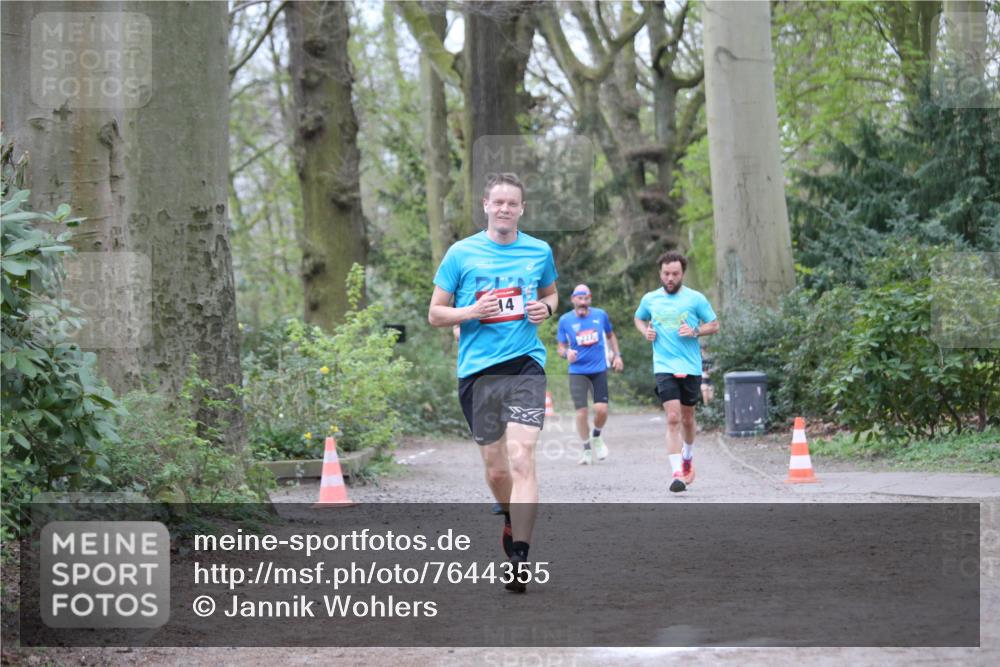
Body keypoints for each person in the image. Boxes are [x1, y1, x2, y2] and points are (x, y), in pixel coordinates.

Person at [428, 173, 558, 593]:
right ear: (485, 205)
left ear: (522, 209)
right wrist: (471, 312)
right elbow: (435, 313)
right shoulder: (460, 254)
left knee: (522, 459)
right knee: (497, 469)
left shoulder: (538, 251)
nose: (505, 209)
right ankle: (508, 514)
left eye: (512, 203)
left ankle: (520, 556)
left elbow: (551, 294)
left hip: (525, 365)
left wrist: (545, 308)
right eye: (498, 202)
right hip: (478, 373)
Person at [634, 251, 719, 493]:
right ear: (660, 273)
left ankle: (688, 457)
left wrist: (694, 332)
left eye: (675, 274)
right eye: (666, 274)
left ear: (682, 274)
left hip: (690, 366)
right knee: (672, 418)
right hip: (663, 366)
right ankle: (677, 472)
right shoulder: (650, 299)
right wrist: (645, 333)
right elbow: (639, 319)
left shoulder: (695, 299)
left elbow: (714, 324)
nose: (670, 278)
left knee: (688, 418)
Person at [556, 284, 623, 465]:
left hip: (598, 369)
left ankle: (596, 436)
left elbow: (610, 335)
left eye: (586, 299)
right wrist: (566, 354)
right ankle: (586, 450)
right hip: (577, 372)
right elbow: (560, 347)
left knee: (601, 409)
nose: (583, 302)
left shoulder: (600, 315)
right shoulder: (565, 320)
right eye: (579, 299)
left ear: (590, 299)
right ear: (573, 300)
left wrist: (617, 355)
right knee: (581, 413)